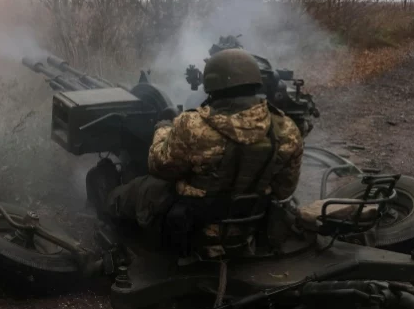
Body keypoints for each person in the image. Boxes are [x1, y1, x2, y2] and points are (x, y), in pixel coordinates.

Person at [94, 48, 304, 258]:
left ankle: (111, 220)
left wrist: (164, 128)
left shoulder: (193, 126)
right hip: (248, 227)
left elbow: (159, 165)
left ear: (211, 87)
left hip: (193, 228)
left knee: (132, 192)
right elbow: (284, 190)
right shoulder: (286, 129)